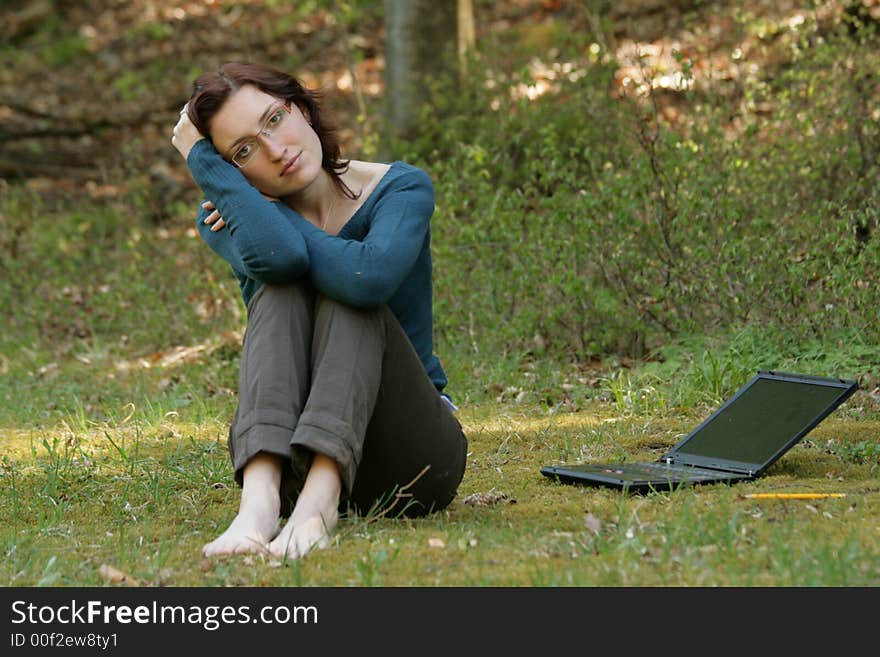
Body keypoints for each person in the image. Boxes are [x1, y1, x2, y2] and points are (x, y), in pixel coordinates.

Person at [171, 62, 468, 560]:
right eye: (242, 152)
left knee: (350, 286)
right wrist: (213, 174)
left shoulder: (400, 188)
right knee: (280, 287)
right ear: (230, 173)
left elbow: (365, 278)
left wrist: (256, 205)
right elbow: (279, 259)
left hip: (412, 457)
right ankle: (258, 508)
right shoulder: (227, 219)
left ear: (302, 109)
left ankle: (318, 511)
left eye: (273, 119)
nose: (274, 149)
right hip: (290, 460)